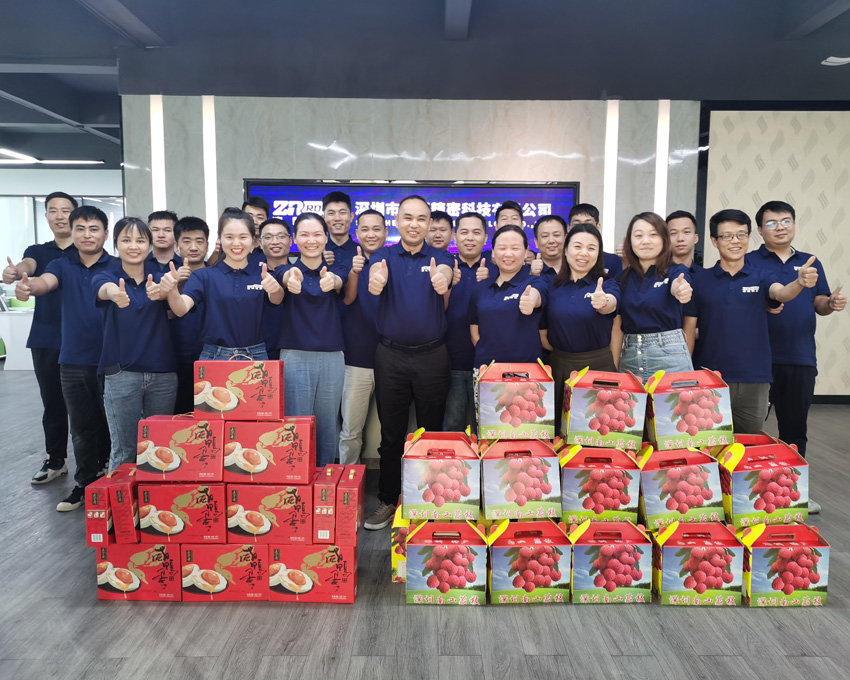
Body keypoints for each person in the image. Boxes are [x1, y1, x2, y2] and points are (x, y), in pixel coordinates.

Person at [747, 200, 846, 514]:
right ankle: (745, 495)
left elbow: (819, 304)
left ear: (794, 224)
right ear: (760, 230)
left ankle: (792, 493)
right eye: (772, 222)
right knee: (748, 430)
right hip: (756, 359)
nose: (780, 227)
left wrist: (831, 303)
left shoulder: (809, 261)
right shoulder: (749, 261)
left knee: (794, 430)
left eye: (786, 220)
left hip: (799, 357)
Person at [15, 206, 114, 511]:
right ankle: (84, 485)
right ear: (72, 233)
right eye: (80, 229)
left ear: (105, 234)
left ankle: (113, 486)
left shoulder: (118, 265)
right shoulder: (61, 265)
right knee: (81, 429)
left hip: (112, 360)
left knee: (113, 427)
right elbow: (44, 282)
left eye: (94, 229)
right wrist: (29, 287)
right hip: (72, 361)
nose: (87, 235)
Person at [687, 209, 819, 436]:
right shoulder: (700, 280)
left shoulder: (762, 275)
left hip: (755, 379)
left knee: (749, 445)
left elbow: (781, 293)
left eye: (741, 235)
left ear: (749, 237)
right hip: (709, 377)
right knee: (708, 444)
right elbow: (689, 331)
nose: (735, 241)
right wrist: (687, 375)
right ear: (714, 241)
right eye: (727, 236)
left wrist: (798, 283)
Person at [365, 195, 453, 530]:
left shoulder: (440, 257)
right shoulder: (384, 256)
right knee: (391, 435)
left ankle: (429, 504)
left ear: (429, 223)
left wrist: (442, 279)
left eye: (421, 218)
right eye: (408, 218)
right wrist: (376, 280)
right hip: (391, 357)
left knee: (431, 434)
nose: (414, 224)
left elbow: (445, 272)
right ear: (397, 222)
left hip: (432, 357)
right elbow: (375, 274)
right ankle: (388, 499)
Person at [3, 191, 76, 485]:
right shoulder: (39, 250)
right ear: (45, 216)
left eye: (66, 210)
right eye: (53, 210)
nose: (59, 216)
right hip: (47, 337)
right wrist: (15, 272)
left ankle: (100, 460)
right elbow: (28, 266)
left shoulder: (88, 251)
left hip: (85, 338)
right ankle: (55, 460)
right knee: (53, 402)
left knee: (92, 404)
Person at [93, 218, 177, 470]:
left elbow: (171, 296)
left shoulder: (158, 278)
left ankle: (152, 497)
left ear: (149, 245)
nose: (133, 246)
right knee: (125, 450)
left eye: (140, 240)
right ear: (115, 244)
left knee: (159, 449)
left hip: (163, 374)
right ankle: (120, 497)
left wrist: (165, 291)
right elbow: (104, 289)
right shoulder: (106, 275)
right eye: (126, 240)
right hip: (121, 374)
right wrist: (115, 294)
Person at [154, 208, 283, 361]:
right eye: (229, 237)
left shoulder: (262, 273)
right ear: (220, 239)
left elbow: (277, 299)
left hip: (256, 356)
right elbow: (181, 309)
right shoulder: (204, 275)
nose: (236, 243)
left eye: (243, 237)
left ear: (253, 239)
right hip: (215, 356)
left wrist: (275, 289)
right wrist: (172, 290)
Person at [276, 213, 347, 467]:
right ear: (294, 239)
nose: (311, 240)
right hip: (294, 356)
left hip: (332, 357)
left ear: (326, 238)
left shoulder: (337, 269)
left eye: (317, 234)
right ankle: (296, 478)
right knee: (296, 424)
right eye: (304, 235)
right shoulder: (285, 269)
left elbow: (339, 282)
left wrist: (332, 281)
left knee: (328, 425)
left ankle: (324, 479)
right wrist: (291, 278)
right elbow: (285, 276)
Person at [542, 224, 620, 433]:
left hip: (598, 366)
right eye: (577, 246)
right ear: (566, 250)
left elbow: (612, 303)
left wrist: (604, 302)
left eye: (591, 248)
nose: (584, 253)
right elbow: (543, 330)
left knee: (598, 432)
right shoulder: (551, 285)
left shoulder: (607, 284)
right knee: (558, 434)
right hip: (559, 366)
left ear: (598, 254)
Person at [612, 212, 695, 383]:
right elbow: (617, 329)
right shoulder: (621, 278)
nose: (645, 241)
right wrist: (614, 372)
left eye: (653, 235)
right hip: (630, 359)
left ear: (664, 239)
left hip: (670, 357)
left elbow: (679, 284)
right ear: (629, 241)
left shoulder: (675, 271)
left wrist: (681, 289)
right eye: (638, 236)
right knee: (630, 402)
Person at [339, 210, 387, 464]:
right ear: (356, 233)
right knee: (350, 431)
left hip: (393, 358)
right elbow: (347, 299)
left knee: (394, 429)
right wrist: (354, 272)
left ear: (386, 233)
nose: (371, 234)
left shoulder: (396, 261)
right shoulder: (346, 262)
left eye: (376, 229)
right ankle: (349, 479)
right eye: (365, 229)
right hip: (357, 359)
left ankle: (394, 482)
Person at [469, 225, 547, 371]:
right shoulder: (481, 287)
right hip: (486, 370)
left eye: (515, 248)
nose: (508, 254)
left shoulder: (535, 282)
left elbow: (536, 295)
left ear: (526, 252)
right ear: (493, 252)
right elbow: (474, 331)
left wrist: (530, 301)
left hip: (526, 371)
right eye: (502, 248)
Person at [443, 211, 489, 432]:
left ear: (486, 237)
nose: (470, 238)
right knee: (452, 426)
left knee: (486, 429)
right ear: (455, 236)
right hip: (450, 364)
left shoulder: (496, 269)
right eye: (464, 232)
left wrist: (489, 283)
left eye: (476, 232)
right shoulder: (444, 268)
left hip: (487, 365)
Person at [170, 216, 209, 414]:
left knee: (211, 419)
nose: (193, 247)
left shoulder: (217, 275)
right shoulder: (167, 276)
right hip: (176, 359)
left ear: (207, 244)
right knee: (180, 418)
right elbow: (165, 314)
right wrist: (176, 285)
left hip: (212, 359)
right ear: (177, 245)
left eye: (199, 241)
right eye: (186, 241)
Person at [257, 217, 292, 359]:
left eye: (281, 236)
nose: (275, 241)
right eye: (268, 237)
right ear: (260, 242)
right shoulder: (251, 274)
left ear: (290, 241)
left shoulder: (298, 273)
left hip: (293, 352)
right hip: (258, 352)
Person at [568, 203, 623, 278]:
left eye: (588, 224)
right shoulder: (560, 260)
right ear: (568, 228)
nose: (583, 229)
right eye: (577, 224)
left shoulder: (613, 261)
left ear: (598, 227)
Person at [322, 190, 358, 269]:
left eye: (342, 212)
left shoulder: (361, 252)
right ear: (324, 218)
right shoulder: (317, 252)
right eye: (331, 213)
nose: (337, 218)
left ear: (351, 216)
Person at [529, 215, 567, 280]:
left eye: (556, 235)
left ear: (566, 238)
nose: (551, 241)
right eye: (545, 236)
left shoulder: (576, 268)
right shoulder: (527, 272)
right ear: (536, 242)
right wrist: (532, 276)